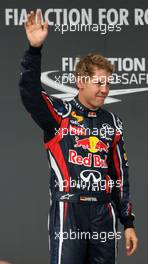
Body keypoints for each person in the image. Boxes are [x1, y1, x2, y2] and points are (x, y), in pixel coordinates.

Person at [19, 10, 138, 264]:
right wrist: (34, 50)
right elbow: (30, 93)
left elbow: (119, 177)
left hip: (104, 213)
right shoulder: (59, 114)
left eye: (108, 83)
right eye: (98, 83)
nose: (105, 89)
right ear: (80, 82)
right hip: (69, 209)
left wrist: (127, 222)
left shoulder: (113, 123)